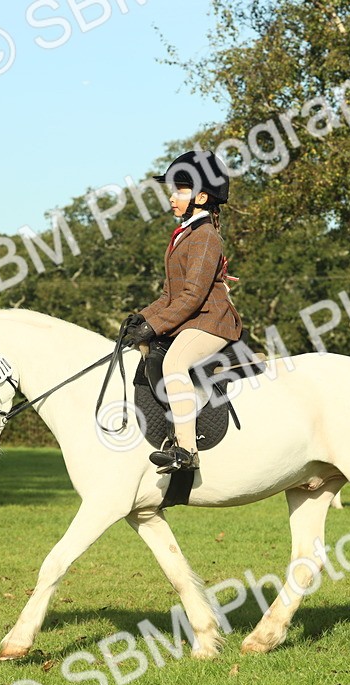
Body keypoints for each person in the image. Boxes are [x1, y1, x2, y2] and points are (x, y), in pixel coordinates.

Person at [120, 150, 242, 473]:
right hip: (194, 318)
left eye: (180, 190)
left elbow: (191, 297)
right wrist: (142, 318)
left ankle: (187, 451)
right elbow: (169, 295)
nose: (172, 198)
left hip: (212, 321)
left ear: (202, 196)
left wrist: (154, 326)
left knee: (175, 362)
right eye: (172, 190)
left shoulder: (204, 237)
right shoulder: (184, 234)